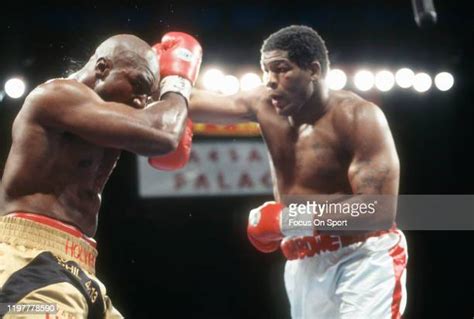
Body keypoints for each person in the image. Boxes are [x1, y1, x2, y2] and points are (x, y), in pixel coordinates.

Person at [190, 25, 407, 318]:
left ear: (314, 70)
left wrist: (286, 220)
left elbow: (377, 211)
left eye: (281, 69)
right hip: (302, 262)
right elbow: (190, 104)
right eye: (266, 71)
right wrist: (161, 78)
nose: (270, 81)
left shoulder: (358, 117)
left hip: (363, 258)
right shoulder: (262, 104)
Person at [0, 32, 202, 318]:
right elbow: (165, 133)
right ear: (103, 68)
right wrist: (178, 81)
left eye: (148, 94)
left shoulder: (113, 110)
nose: (140, 101)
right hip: (27, 261)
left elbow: (194, 110)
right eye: (138, 86)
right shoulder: (57, 96)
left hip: (80, 264)